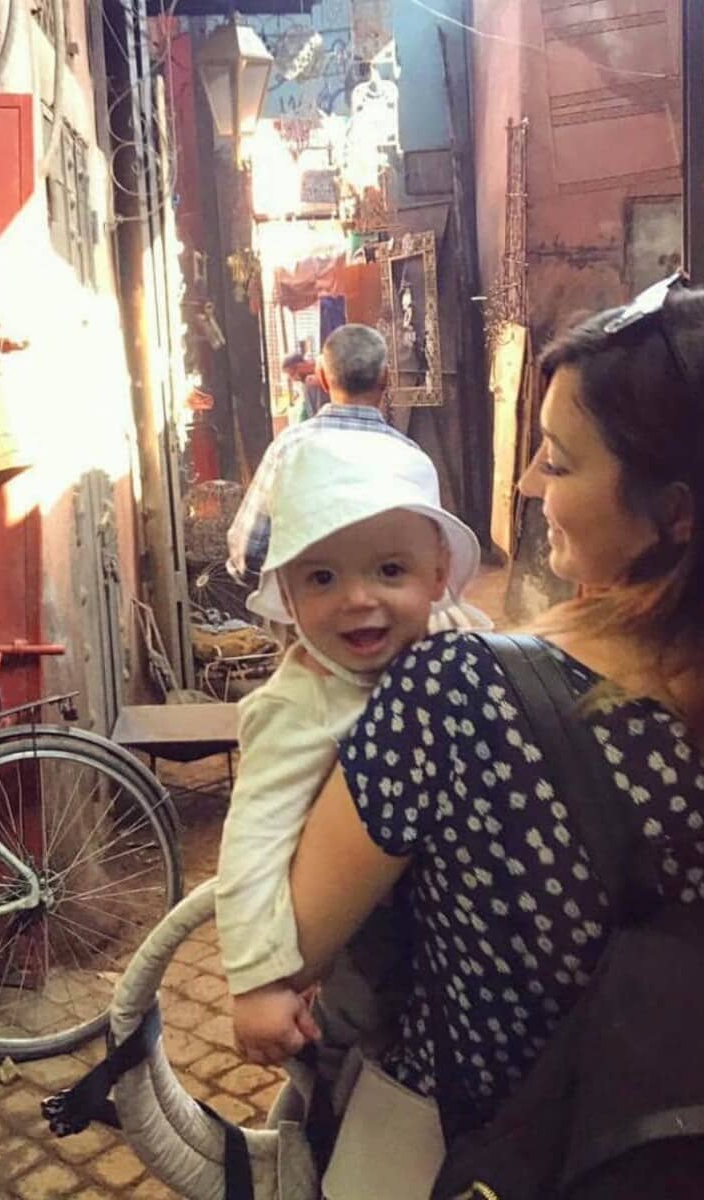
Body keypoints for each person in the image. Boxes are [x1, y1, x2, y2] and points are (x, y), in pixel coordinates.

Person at [236, 281, 704, 1193]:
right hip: (693, 1155)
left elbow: (295, 942)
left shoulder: (457, 695)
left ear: (675, 511)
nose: (528, 485)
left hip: (461, 1154)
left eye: (559, 460)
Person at [217, 426, 482, 1083]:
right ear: (288, 593)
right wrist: (257, 982)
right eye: (322, 577)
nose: (358, 598)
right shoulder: (298, 705)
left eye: (390, 570)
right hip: (369, 943)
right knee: (356, 1050)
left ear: (438, 574)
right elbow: (253, 841)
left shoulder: (450, 636)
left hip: (459, 923)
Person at [227, 325, 414, 586]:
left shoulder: (288, 449)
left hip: (304, 604)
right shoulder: (409, 457)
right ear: (386, 378)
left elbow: (248, 553)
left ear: (323, 378)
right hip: (388, 606)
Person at [282, 351, 327, 421]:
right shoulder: (306, 383)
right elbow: (307, 408)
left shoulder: (323, 365)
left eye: (293, 374)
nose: (294, 379)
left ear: (300, 365)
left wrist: (321, 381)